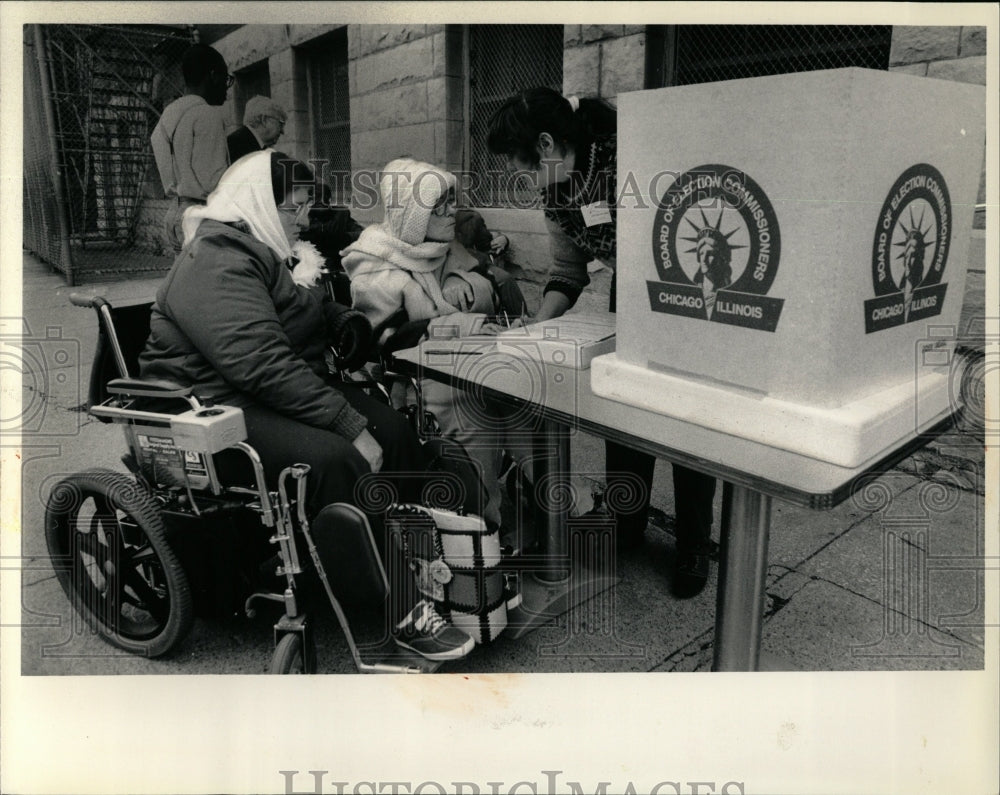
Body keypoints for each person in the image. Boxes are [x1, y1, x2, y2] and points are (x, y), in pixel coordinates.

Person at [138, 150, 475, 661]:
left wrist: (342, 320)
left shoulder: (268, 246)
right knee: (339, 459)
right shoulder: (214, 261)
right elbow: (259, 363)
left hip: (273, 388)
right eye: (295, 206)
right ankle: (398, 606)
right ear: (261, 203)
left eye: (305, 205)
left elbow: (303, 306)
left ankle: (425, 563)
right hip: (215, 404)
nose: (303, 217)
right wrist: (344, 421)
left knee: (394, 432)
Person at [487, 87, 718, 598]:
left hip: (685, 292)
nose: (519, 180)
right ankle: (628, 521)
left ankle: (694, 544)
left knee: (685, 417)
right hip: (628, 292)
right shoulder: (555, 192)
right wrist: (537, 326)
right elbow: (568, 271)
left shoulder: (630, 157)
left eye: (520, 167)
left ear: (547, 144)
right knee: (623, 403)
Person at [340, 158, 514, 531]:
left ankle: (567, 506)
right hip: (419, 379)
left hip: (471, 359)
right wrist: (451, 325)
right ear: (414, 215)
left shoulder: (444, 248)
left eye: (453, 201)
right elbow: (380, 344)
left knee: (526, 401)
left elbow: (488, 289)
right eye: (441, 206)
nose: (453, 212)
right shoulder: (376, 266)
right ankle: (481, 524)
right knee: (472, 406)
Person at [151, 44, 232, 254]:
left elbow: (158, 143)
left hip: (176, 213)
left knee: (188, 281)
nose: (226, 88)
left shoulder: (169, 113)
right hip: (203, 216)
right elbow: (214, 181)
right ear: (212, 75)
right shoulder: (208, 114)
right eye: (226, 79)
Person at [227, 95, 286, 163]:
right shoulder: (238, 147)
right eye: (281, 123)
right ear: (264, 120)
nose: (282, 131)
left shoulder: (241, 142)